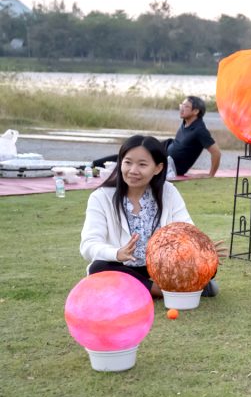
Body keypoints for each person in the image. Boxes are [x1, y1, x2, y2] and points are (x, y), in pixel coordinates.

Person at [80, 134, 219, 298]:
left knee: (209, 266)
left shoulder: (168, 192)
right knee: (98, 268)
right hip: (122, 267)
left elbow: (186, 229)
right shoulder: (101, 197)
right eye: (127, 162)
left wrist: (202, 249)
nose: (133, 170)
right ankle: (165, 291)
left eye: (142, 164)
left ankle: (150, 288)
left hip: (163, 267)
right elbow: (89, 244)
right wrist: (117, 253)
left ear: (158, 168)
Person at [92, 96, 221, 179]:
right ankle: (92, 165)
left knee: (133, 158)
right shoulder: (186, 122)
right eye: (181, 105)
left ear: (196, 111)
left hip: (170, 166)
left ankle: (92, 166)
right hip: (165, 150)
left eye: (186, 106)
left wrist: (210, 174)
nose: (181, 108)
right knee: (132, 151)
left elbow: (216, 152)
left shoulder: (200, 130)